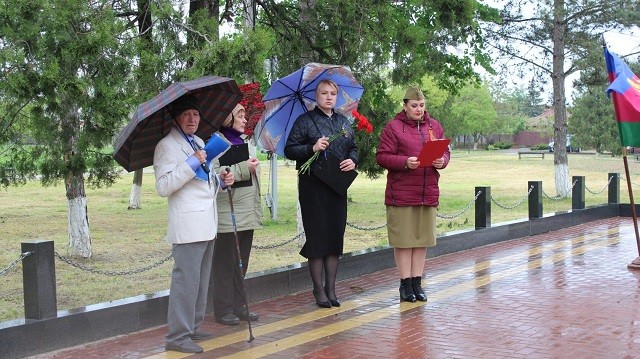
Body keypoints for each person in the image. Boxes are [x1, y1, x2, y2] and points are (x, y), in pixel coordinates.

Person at [154, 94, 234, 354]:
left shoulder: (198, 141)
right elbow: (164, 186)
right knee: (185, 282)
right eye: (187, 114)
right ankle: (177, 337)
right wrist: (191, 163)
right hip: (188, 225)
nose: (192, 119)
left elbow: (204, 180)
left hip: (207, 220)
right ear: (176, 117)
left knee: (200, 281)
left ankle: (194, 325)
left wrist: (221, 182)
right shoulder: (166, 146)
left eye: (196, 114)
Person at [284, 79, 358, 308]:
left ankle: (331, 288)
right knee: (317, 237)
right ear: (316, 96)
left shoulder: (343, 122)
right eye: (324, 93)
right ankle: (318, 288)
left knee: (335, 235)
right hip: (312, 187)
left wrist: (352, 160)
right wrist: (312, 148)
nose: (328, 97)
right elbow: (289, 150)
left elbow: (354, 147)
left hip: (337, 186)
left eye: (333, 93)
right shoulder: (304, 121)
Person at [375, 85, 449, 303]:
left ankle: (417, 283)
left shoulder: (434, 126)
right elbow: (382, 157)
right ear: (405, 106)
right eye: (414, 105)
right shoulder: (394, 127)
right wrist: (404, 162)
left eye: (422, 105)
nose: (419, 109)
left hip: (427, 191)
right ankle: (405, 285)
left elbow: (445, 152)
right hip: (402, 192)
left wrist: (441, 161)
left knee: (421, 241)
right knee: (405, 241)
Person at [211, 103, 263, 325]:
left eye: (245, 116)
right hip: (227, 212)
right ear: (227, 118)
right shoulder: (215, 142)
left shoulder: (245, 142)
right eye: (239, 116)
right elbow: (214, 173)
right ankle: (223, 309)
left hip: (247, 212)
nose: (244, 120)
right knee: (225, 263)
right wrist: (243, 168)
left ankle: (239, 305)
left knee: (242, 263)